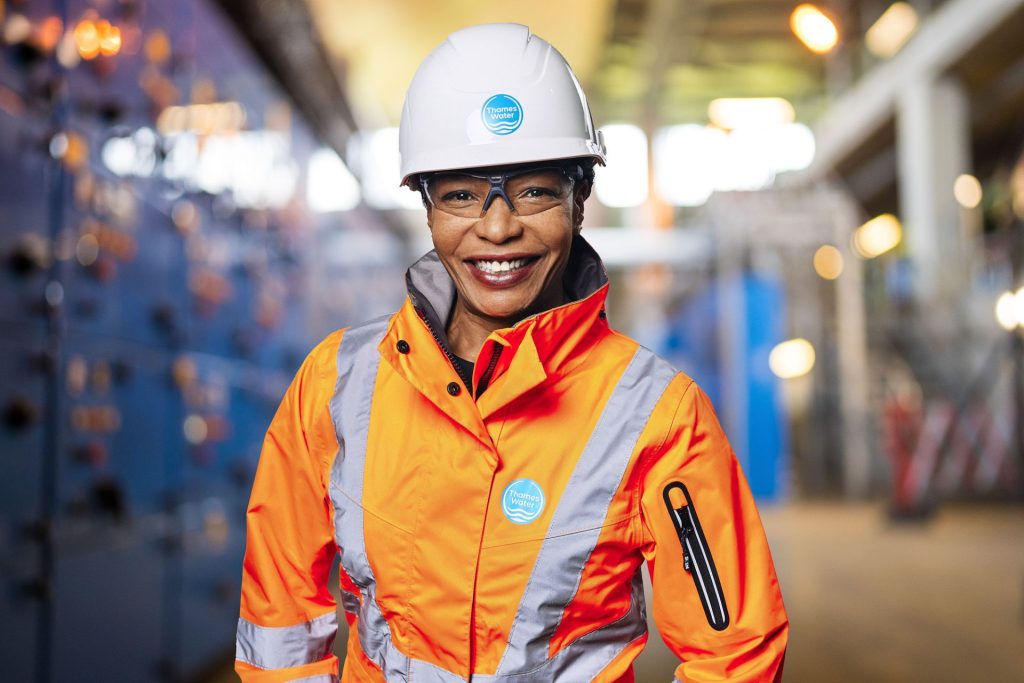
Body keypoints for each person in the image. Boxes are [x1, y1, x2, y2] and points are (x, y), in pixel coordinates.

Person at [235, 23, 788, 683]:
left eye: (533, 191)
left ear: (580, 202)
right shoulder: (338, 383)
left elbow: (735, 651)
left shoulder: (658, 414)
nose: (498, 228)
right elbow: (280, 618)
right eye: (462, 195)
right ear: (427, 206)